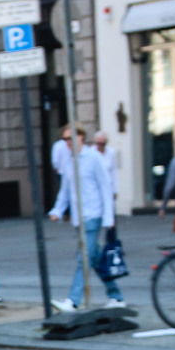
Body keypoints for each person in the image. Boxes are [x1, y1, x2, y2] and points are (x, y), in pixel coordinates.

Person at [49, 126, 122, 311]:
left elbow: (105, 186)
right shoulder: (68, 161)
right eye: (64, 139)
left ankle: (73, 301)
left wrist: (108, 217)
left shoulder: (93, 158)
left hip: (93, 214)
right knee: (95, 259)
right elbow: (65, 190)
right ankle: (116, 296)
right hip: (78, 217)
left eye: (69, 138)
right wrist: (57, 209)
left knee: (85, 258)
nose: (67, 143)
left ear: (80, 137)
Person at [93, 131, 118, 200]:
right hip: (96, 187)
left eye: (102, 143)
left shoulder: (111, 152)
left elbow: (113, 172)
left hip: (108, 186)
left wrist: (115, 190)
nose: (100, 146)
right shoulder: (91, 152)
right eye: (98, 143)